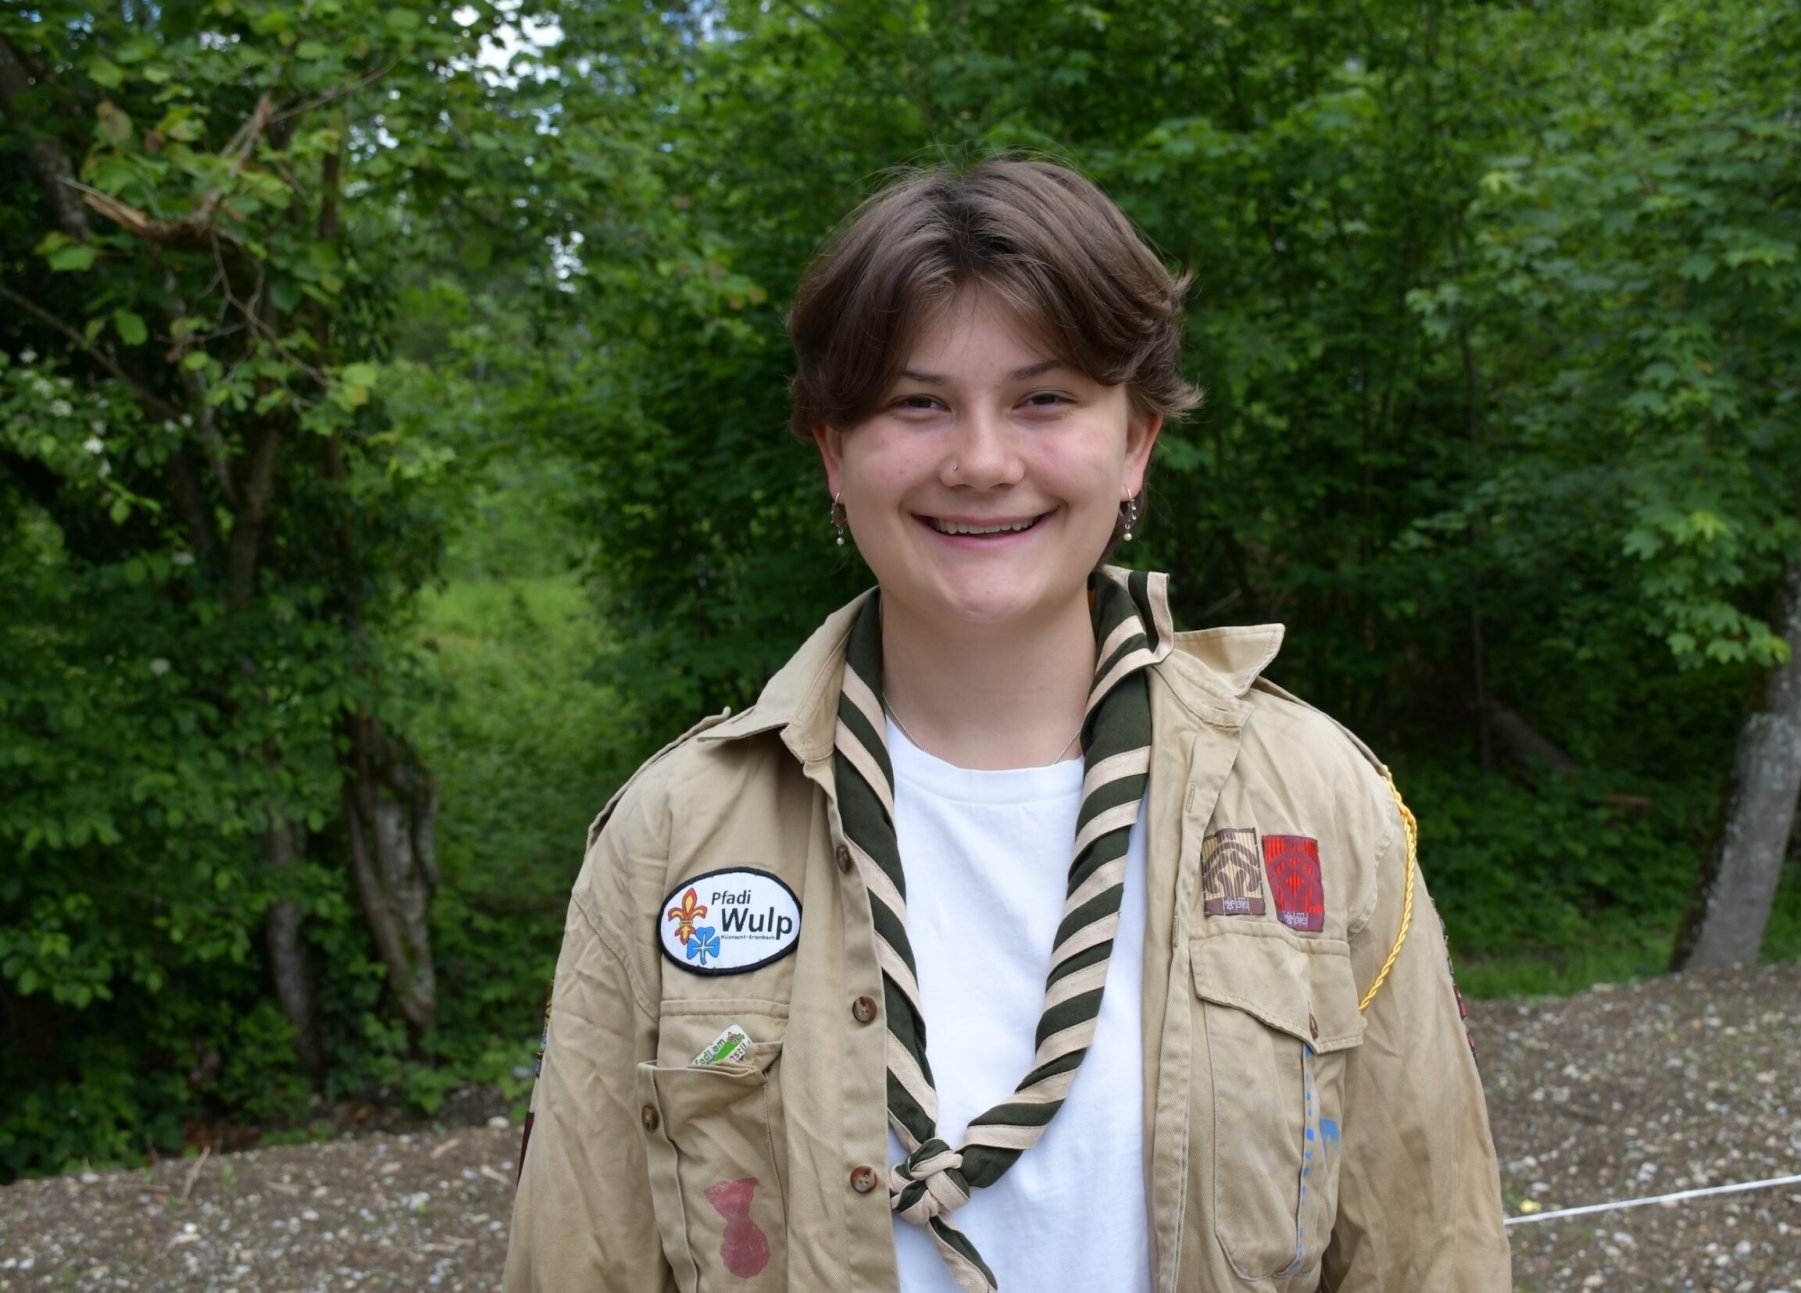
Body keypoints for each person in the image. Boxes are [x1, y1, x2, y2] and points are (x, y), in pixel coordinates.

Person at [503, 158, 1510, 1291]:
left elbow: (1433, 1253)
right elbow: (574, 1261)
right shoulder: (672, 837)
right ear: (833, 453)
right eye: (916, 403)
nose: (981, 462)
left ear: (1135, 444)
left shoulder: (1319, 802)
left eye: (1044, 400)